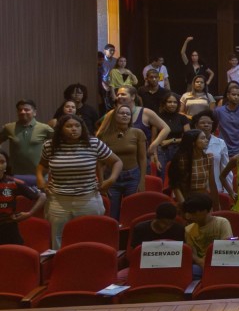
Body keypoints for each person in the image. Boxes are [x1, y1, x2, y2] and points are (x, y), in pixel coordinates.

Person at [37, 114, 122, 248]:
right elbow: (42, 165)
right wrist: (40, 178)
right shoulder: (50, 145)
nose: (74, 129)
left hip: (88, 198)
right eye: (69, 126)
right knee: (58, 238)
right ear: (61, 129)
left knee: (91, 235)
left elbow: (117, 161)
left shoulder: (93, 143)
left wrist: (111, 179)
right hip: (59, 200)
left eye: (77, 126)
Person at [96, 104, 147, 221]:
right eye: (121, 113)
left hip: (132, 176)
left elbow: (142, 158)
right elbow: (100, 162)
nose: (125, 115)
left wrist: (142, 181)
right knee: (112, 212)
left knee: (132, 211)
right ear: (114, 116)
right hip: (111, 177)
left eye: (128, 114)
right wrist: (102, 182)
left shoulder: (137, 133)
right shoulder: (104, 134)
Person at [1, 100, 54, 185]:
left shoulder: (44, 128)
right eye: (20, 110)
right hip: (15, 174)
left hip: (39, 174)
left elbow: (58, 141)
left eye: (26, 110)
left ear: (34, 112)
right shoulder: (9, 127)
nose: (22, 112)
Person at [0, 150, 45, 245]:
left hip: (9, 229)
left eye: (2, 162)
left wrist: (29, 213)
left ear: (6, 165)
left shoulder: (14, 182)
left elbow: (42, 196)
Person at [182, 193, 233, 278]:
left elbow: (227, 247)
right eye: (190, 213)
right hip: (201, 264)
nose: (190, 216)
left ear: (205, 211)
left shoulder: (222, 222)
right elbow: (192, 253)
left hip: (221, 262)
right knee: (190, 271)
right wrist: (201, 262)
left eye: (194, 213)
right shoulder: (189, 229)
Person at [167, 130, 219, 207]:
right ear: (193, 143)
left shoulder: (209, 158)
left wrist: (216, 205)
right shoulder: (181, 160)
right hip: (187, 200)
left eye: (206, 138)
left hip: (204, 200)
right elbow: (175, 186)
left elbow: (212, 183)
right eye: (202, 138)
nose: (206, 140)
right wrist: (184, 205)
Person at [192, 110, 231, 194]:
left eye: (209, 123)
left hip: (217, 188)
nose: (206, 125)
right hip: (195, 189)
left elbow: (225, 168)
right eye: (202, 123)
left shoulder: (220, 143)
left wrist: (227, 191)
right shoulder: (190, 143)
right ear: (196, 125)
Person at [214, 82, 239, 156]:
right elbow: (213, 127)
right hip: (223, 149)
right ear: (228, 95)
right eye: (233, 94)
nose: (236, 97)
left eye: (238, 95)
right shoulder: (219, 111)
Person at [155, 93, 190, 175]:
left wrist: (171, 140)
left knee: (178, 176)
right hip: (162, 151)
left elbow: (188, 138)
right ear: (164, 103)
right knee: (161, 175)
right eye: (169, 102)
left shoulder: (182, 118)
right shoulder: (157, 118)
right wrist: (155, 159)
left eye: (175, 102)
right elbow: (153, 139)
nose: (172, 104)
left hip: (178, 150)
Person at [99, 43, 117, 110]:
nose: (112, 52)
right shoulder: (101, 60)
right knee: (105, 101)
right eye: (110, 50)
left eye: (113, 50)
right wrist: (103, 84)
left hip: (113, 82)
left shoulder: (116, 60)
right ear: (105, 51)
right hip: (103, 82)